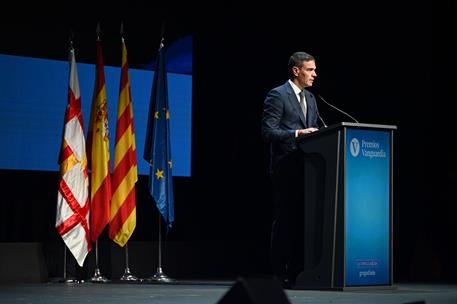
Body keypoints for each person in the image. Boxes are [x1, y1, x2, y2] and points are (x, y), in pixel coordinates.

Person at [261, 51, 320, 288]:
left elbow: (316, 131)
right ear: (296, 71)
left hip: (308, 170)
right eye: (310, 69)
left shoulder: (312, 99)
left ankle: (298, 271)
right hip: (285, 169)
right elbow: (268, 132)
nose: (315, 74)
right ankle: (279, 272)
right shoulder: (277, 95)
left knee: (304, 222)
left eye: (315, 70)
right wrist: (297, 133)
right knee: (285, 221)